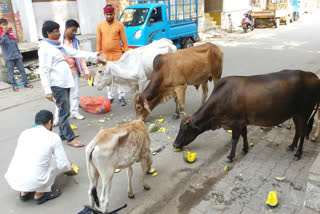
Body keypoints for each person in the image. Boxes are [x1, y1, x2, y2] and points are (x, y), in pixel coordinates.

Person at [38, 20, 105, 147]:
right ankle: (70, 138)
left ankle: (64, 134)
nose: (59, 33)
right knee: (64, 112)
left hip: (64, 83)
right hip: (57, 85)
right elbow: (43, 70)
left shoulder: (57, 45)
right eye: (56, 31)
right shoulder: (45, 49)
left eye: (59, 30)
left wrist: (94, 55)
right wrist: (47, 90)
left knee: (64, 110)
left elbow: (75, 52)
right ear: (48, 33)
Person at [5, 110, 76, 205]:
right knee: (53, 160)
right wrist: (69, 169)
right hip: (35, 180)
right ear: (50, 122)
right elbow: (62, 164)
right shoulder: (53, 137)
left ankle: (24, 193)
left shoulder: (24, 133)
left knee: (28, 157)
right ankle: (40, 194)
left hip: (14, 179)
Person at [53, 19, 91, 126]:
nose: (74, 33)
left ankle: (74, 112)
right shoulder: (58, 41)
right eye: (73, 30)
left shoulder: (76, 42)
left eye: (76, 31)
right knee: (60, 97)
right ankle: (57, 118)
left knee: (75, 93)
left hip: (74, 71)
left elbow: (81, 56)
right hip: (61, 74)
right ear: (66, 28)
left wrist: (86, 71)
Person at [97, 4, 129, 106]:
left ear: (114, 14)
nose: (109, 16)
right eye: (107, 14)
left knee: (118, 76)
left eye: (111, 14)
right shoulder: (100, 25)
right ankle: (110, 97)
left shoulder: (119, 25)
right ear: (104, 14)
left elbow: (124, 41)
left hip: (117, 55)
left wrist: (126, 54)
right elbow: (98, 41)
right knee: (106, 76)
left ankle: (121, 96)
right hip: (105, 57)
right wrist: (98, 55)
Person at [0, 18, 33, 92]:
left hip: (17, 56)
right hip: (8, 57)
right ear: (0, 26)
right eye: (3, 25)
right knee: (11, 73)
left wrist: (20, 53)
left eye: (6, 24)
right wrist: (4, 34)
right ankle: (14, 86)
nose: (5, 26)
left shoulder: (10, 33)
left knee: (22, 70)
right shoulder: (1, 35)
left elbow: (15, 44)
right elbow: (1, 43)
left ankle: (26, 83)